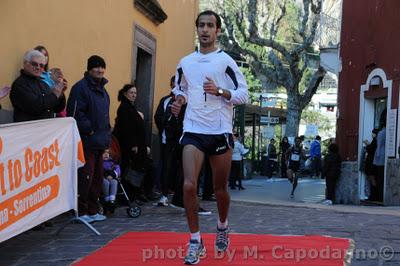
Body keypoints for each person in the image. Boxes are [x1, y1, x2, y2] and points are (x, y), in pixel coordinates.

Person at [170, 10, 248, 265]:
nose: (205, 30)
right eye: (201, 25)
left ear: (218, 31)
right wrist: (179, 100)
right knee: (189, 186)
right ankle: (195, 240)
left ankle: (222, 225)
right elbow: (179, 88)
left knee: (219, 189)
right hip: (193, 129)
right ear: (197, 29)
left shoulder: (225, 61)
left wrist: (221, 90)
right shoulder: (185, 62)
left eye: (210, 26)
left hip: (220, 131)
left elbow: (243, 94)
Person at [67, 55, 111, 223]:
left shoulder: (103, 89)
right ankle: (82, 211)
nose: (100, 70)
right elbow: (76, 113)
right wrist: (90, 130)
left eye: (102, 67)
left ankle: (93, 210)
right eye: (96, 67)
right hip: (86, 141)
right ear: (89, 69)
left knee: (98, 178)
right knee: (86, 177)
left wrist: (106, 135)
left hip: (100, 141)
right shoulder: (80, 88)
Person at [112, 84, 155, 202]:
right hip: (131, 147)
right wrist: (133, 145)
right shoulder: (124, 108)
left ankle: (137, 194)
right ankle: (130, 196)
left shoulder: (130, 107)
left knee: (138, 170)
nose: (134, 95)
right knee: (130, 171)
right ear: (125, 93)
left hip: (138, 146)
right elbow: (127, 129)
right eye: (131, 92)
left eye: (135, 93)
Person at [10, 50, 65, 122]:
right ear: (25, 64)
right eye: (34, 64)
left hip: (45, 128)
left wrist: (60, 93)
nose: (38, 67)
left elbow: (57, 108)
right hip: (28, 130)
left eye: (41, 65)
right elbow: (36, 107)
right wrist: (55, 93)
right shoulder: (19, 84)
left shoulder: (43, 84)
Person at [154, 76, 177, 206]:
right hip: (166, 139)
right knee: (166, 166)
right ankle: (164, 194)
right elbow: (157, 117)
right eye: (173, 85)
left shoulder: (188, 100)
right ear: (171, 85)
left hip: (182, 140)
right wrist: (166, 125)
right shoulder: (165, 100)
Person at [34, 46, 68, 117]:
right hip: (41, 112)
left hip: (53, 110)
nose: (44, 57)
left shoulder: (51, 73)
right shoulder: (35, 76)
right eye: (41, 55)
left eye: (45, 55)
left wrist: (61, 85)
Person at [372, 111, 386, 202]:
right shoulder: (388, 132)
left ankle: (379, 196)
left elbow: (379, 146)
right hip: (385, 156)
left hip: (380, 158)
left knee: (379, 179)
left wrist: (376, 158)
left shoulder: (381, 133)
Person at [102, 149, 121, 213]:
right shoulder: (100, 163)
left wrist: (113, 175)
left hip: (112, 177)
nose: (106, 154)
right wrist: (106, 175)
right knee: (105, 183)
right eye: (104, 153)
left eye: (107, 153)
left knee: (114, 182)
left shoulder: (112, 162)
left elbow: (117, 170)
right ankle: (106, 199)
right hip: (103, 177)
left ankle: (112, 199)